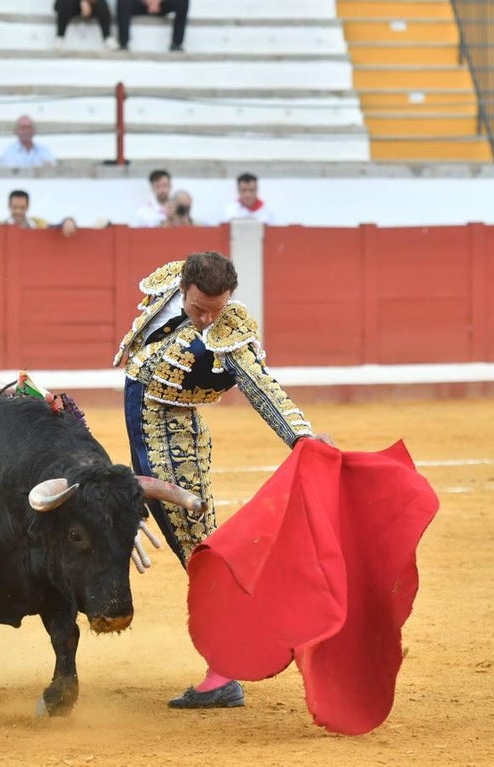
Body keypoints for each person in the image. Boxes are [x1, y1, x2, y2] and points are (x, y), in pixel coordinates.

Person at [114, 252, 333, 709]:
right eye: (198, 309)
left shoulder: (230, 329)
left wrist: (302, 438)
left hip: (177, 451)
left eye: (217, 308)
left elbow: (262, 386)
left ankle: (226, 670)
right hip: (142, 436)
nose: (208, 318)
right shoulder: (167, 284)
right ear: (183, 289)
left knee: (202, 559)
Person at [0, 189, 77, 236]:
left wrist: (68, 221)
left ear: (28, 207)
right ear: (9, 206)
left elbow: (57, 226)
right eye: (15, 207)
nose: (18, 211)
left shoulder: (38, 224)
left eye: (22, 208)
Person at [115, 0, 190, 52]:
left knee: (183, 1)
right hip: (141, 3)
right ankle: (123, 43)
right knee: (123, 1)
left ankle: (176, 44)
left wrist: (156, 2)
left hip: (161, 4)